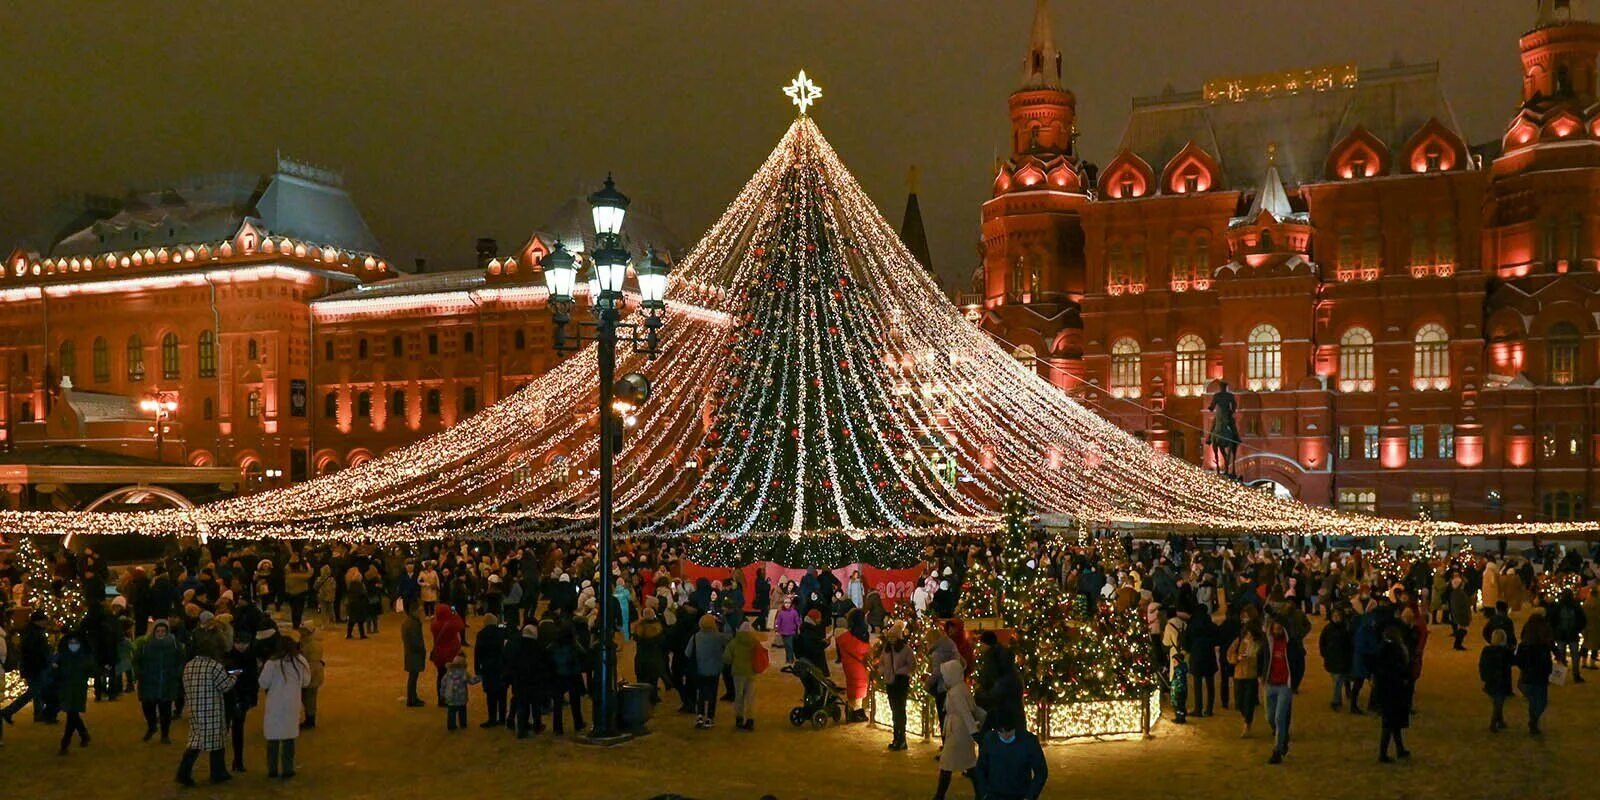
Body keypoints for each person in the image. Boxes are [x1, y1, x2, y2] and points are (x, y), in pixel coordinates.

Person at [177, 628, 238, 787]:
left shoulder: (189, 666)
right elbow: (225, 686)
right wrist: (234, 677)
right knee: (217, 742)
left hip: (195, 707)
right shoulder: (214, 666)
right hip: (212, 709)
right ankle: (218, 772)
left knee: (195, 742)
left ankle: (183, 772)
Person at [258, 635, 310, 779]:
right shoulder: (300, 661)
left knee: (273, 738)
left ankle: (272, 769)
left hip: (275, 703)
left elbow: (263, 683)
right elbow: (306, 681)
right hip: (292, 702)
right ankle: (288, 769)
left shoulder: (272, 663)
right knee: (289, 737)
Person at [932, 659, 983, 800]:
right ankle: (981, 793)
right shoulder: (961, 688)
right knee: (969, 764)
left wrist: (974, 732)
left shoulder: (955, 692)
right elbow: (971, 709)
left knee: (947, 764)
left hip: (957, 732)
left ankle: (939, 796)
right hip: (960, 732)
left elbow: (965, 713)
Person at [135, 618, 185, 743]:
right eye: (158, 631)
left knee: (165, 710)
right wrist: (140, 673)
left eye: (163, 631)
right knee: (148, 706)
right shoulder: (145, 645)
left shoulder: (174, 645)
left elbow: (181, 660)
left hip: (167, 681)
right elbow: (136, 660)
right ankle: (152, 726)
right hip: (149, 681)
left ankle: (165, 734)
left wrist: (176, 674)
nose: (161, 634)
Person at [974, 721, 1048, 800]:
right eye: (1001, 732)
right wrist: (984, 794)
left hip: (1020, 795)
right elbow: (980, 768)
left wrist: (1030, 796)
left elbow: (1041, 771)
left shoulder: (1029, 741)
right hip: (994, 795)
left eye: (1008, 731)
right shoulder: (989, 740)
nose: (1005, 735)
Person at [1373, 624, 1412, 762]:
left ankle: (1399, 749)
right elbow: (1399, 669)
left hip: (1388, 691)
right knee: (1390, 724)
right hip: (1393, 691)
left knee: (1393, 724)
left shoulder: (1383, 649)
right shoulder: (1393, 651)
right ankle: (1383, 754)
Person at [975, 631, 1024, 734]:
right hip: (1011, 716)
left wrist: (979, 696)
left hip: (1003, 717)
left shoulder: (993, 660)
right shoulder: (1009, 670)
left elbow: (995, 693)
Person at [1515, 609, 1555, 735]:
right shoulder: (1543, 645)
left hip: (1528, 674)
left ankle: (1533, 720)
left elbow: (1518, 660)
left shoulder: (1525, 644)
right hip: (1540, 675)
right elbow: (1550, 644)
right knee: (1541, 701)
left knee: (1533, 698)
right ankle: (1534, 720)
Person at [686, 613, 729, 729]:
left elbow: (688, 653)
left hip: (699, 669)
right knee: (712, 694)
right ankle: (709, 717)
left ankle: (699, 715)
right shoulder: (719, 637)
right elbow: (729, 642)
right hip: (715, 669)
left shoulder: (695, 636)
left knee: (701, 693)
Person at [225, 633, 260, 773]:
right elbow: (226, 672)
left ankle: (238, 760)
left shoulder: (251, 656)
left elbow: (253, 679)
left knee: (238, 729)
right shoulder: (229, 655)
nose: (241, 646)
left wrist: (252, 698)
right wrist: (239, 672)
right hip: (229, 695)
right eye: (238, 642)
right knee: (228, 728)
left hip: (243, 697)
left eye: (244, 643)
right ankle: (232, 761)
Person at [879, 621, 916, 751]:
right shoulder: (887, 649)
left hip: (900, 682)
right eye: (889, 637)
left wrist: (899, 672)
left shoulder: (906, 650)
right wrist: (883, 671)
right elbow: (882, 662)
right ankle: (896, 737)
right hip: (890, 682)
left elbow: (912, 665)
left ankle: (902, 738)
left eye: (893, 637)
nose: (891, 639)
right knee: (894, 710)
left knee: (900, 710)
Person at [55, 633, 93, 756]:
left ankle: (65, 742)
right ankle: (83, 734)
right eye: (71, 643)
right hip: (66, 688)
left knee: (72, 714)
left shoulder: (84, 657)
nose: (73, 645)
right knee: (73, 713)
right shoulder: (63, 657)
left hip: (78, 688)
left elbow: (92, 670)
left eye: (76, 643)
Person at [1226, 617, 1264, 737]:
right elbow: (1229, 654)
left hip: (1252, 676)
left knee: (1249, 702)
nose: (1249, 636)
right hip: (1239, 675)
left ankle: (1247, 723)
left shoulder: (1259, 644)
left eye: (1250, 633)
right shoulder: (1239, 641)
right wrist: (1237, 658)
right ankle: (1245, 719)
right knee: (1240, 703)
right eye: (1247, 633)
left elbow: (1263, 659)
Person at [1263, 617, 1294, 764]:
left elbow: (1298, 662)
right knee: (1270, 717)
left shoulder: (1290, 645)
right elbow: (1262, 658)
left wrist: (1293, 682)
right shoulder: (1268, 643)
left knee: (1279, 717)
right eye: (1275, 629)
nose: (1277, 631)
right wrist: (1261, 675)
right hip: (1270, 684)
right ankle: (1282, 736)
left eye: (1279, 629)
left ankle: (1277, 750)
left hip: (1284, 685)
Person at [723, 618, 761, 731]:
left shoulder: (734, 642)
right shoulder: (755, 642)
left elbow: (727, 658)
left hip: (738, 673)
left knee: (739, 696)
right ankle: (750, 720)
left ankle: (739, 718)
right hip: (751, 673)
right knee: (751, 697)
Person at [473, 614, 511, 728]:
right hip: (501, 667)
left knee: (491, 695)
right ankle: (502, 718)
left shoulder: (481, 634)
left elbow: (477, 652)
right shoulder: (502, 633)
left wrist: (477, 669)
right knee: (502, 694)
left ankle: (492, 718)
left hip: (488, 668)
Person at [836, 610, 872, 723]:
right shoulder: (857, 639)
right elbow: (862, 651)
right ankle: (856, 711)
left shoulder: (846, 637)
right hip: (858, 668)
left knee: (854, 686)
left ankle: (853, 709)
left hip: (850, 666)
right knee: (859, 686)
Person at [1318, 606, 1355, 710]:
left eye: (1338, 616)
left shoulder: (1346, 628)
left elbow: (1350, 644)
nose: (1336, 618)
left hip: (1343, 659)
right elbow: (1322, 642)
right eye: (1334, 616)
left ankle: (1336, 701)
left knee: (1338, 681)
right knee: (1336, 681)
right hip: (1332, 659)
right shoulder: (1328, 629)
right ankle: (1338, 700)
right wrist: (1324, 653)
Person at [429, 604, 465, 707]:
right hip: (450, 654)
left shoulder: (434, 624)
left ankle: (441, 699)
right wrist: (454, 612)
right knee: (450, 677)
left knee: (440, 676)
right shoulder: (451, 624)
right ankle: (449, 698)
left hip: (439, 654)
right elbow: (461, 624)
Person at [1479, 628, 1514, 733]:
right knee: (1498, 703)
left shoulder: (1486, 650)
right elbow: (1513, 661)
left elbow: (1482, 665)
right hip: (1502, 680)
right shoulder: (1505, 651)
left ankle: (1500, 720)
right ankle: (1493, 723)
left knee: (1497, 702)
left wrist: (1484, 677)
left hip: (1490, 680)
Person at [440, 653, 478, 731]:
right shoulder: (464, 673)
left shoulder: (448, 673)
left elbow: (443, 684)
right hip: (461, 697)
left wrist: (442, 694)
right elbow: (472, 681)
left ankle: (451, 726)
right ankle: (463, 724)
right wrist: (480, 678)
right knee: (462, 712)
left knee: (451, 713)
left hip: (451, 697)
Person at [298, 625, 325, 729]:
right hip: (311, 672)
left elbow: (311, 662)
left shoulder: (311, 644)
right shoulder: (306, 642)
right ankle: (309, 718)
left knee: (309, 698)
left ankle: (310, 720)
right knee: (307, 697)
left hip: (311, 673)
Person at [401, 603, 427, 707]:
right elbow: (416, 641)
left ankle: (413, 697)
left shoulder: (408, 622)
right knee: (413, 677)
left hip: (410, 653)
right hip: (414, 654)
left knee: (413, 676)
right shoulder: (414, 624)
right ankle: (412, 699)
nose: (421, 613)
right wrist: (422, 650)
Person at [773, 597, 801, 663]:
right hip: (783, 632)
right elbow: (778, 622)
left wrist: (800, 627)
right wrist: (777, 630)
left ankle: (790, 660)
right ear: (783, 604)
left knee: (790, 646)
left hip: (791, 632)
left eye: (788, 603)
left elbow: (797, 621)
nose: (787, 604)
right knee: (787, 647)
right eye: (786, 603)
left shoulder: (794, 612)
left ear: (791, 604)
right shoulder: (781, 613)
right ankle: (788, 659)